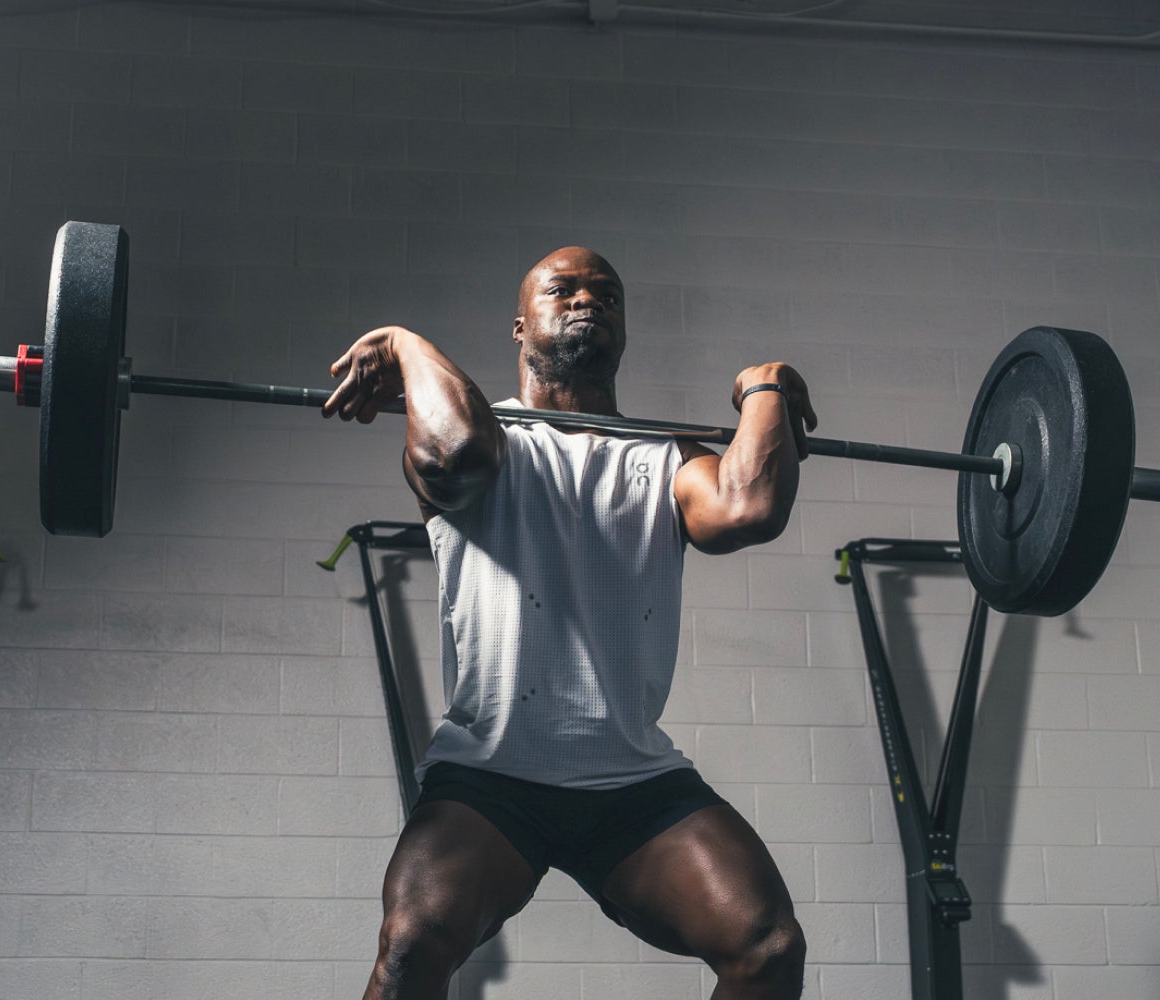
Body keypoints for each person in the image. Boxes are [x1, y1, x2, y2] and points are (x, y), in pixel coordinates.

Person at [324, 247, 818, 1000]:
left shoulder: (665, 459)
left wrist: (767, 385)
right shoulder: (488, 440)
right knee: (411, 948)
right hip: (490, 779)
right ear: (520, 326)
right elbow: (455, 456)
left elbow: (747, 506)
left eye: (608, 294)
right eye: (564, 289)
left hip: (630, 782)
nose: (590, 299)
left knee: (768, 946)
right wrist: (403, 341)